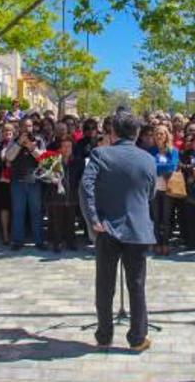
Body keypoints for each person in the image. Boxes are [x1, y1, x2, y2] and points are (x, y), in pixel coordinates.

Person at [79, 112, 156, 352]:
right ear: (136, 134)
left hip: (107, 228)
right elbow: (150, 192)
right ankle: (137, 338)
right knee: (137, 286)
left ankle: (104, 335)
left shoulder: (100, 154)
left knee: (104, 285)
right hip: (137, 228)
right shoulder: (148, 159)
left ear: (112, 133)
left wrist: (93, 218)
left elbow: (85, 186)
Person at [6, 129, 46, 251]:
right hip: (17, 182)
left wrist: (31, 147)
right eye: (24, 127)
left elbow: (43, 159)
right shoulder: (14, 141)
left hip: (34, 182)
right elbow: (9, 157)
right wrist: (19, 143)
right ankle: (17, 241)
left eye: (29, 126)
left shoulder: (38, 140)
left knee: (36, 212)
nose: (27, 130)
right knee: (18, 213)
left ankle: (39, 241)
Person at [43, 136, 81, 252]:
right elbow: (40, 174)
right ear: (59, 148)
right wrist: (50, 178)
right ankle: (57, 243)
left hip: (71, 195)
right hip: (55, 196)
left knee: (70, 220)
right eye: (64, 147)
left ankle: (71, 242)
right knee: (56, 221)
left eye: (69, 147)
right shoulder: (51, 159)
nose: (67, 149)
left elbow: (80, 178)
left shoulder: (77, 161)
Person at [148, 125, 179, 256]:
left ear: (167, 135)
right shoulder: (151, 151)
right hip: (154, 189)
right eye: (157, 134)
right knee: (155, 218)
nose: (159, 136)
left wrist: (158, 168)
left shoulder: (173, 151)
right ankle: (156, 243)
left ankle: (165, 243)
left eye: (162, 134)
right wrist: (162, 168)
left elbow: (172, 166)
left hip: (168, 188)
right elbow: (149, 167)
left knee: (166, 219)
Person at [0, 123, 15, 245]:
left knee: (15, 208)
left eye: (10, 133)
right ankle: (5, 233)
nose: (7, 135)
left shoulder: (17, 145)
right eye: (5, 132)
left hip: (15, 181)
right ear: (1, 133)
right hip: (2, 182)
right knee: (4, 208)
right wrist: (5, 163)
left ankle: (14, 233)